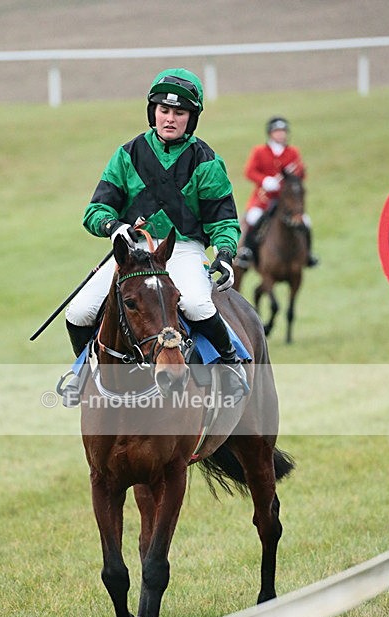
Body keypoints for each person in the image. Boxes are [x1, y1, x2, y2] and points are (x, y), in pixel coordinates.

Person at [61, 67, 247, 406]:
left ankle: (230, 364)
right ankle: (84, 373)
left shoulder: (206, 161)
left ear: (192, 118)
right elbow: (96, 211)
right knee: (80, 311)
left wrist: (224, 253)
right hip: (132, 253)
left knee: (194, 302)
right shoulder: (127, 154)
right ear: (153, 112)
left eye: (179, 112)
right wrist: (112, 226)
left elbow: (223, 220)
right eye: (164, 110)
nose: (170, 118)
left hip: (183, 249)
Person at [236, 116, 318, 269]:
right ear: (270, 133)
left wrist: (294, 176)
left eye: (283, 131)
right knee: (253, 219)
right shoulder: (260, 151)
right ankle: (246, 252)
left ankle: (308, 254)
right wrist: (265, 180)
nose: (281, 134)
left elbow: (300, 174)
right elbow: (249, 172)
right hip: (263, 200)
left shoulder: (293, 153)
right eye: (277, 131)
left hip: (286, 202)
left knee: (306, 222)